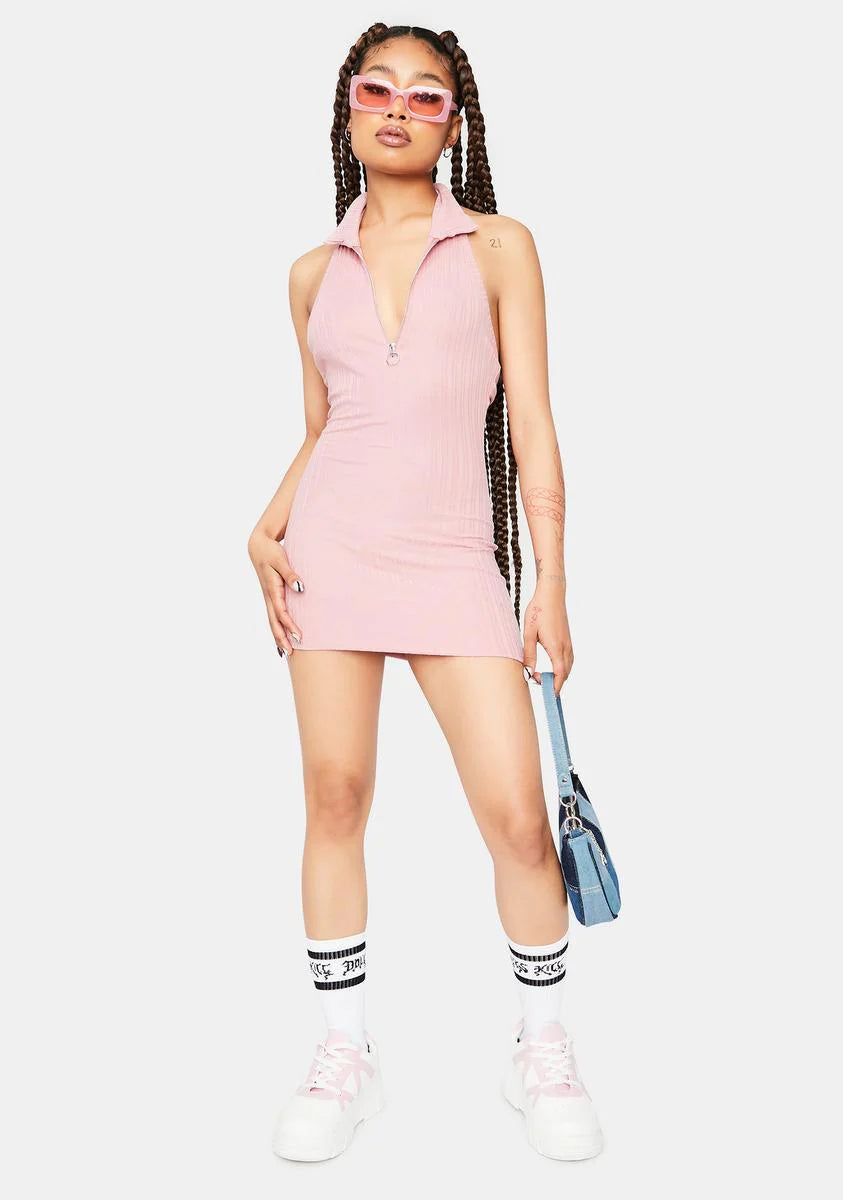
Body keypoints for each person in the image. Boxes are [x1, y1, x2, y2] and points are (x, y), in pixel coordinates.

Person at [248, 23, 604, 1163]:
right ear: (348, 109)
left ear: (456, 124)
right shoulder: (312, 273)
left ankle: (540, 1044)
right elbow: (326, 429)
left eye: (427, 96)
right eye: (378, 89)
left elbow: (533, 423)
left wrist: (550, 582)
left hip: (455, 560)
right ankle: (343, 1052)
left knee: (518, 820)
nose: (398, 108)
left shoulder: (499, 246)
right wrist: (265, 523)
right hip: (333, 553)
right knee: (336, 795)